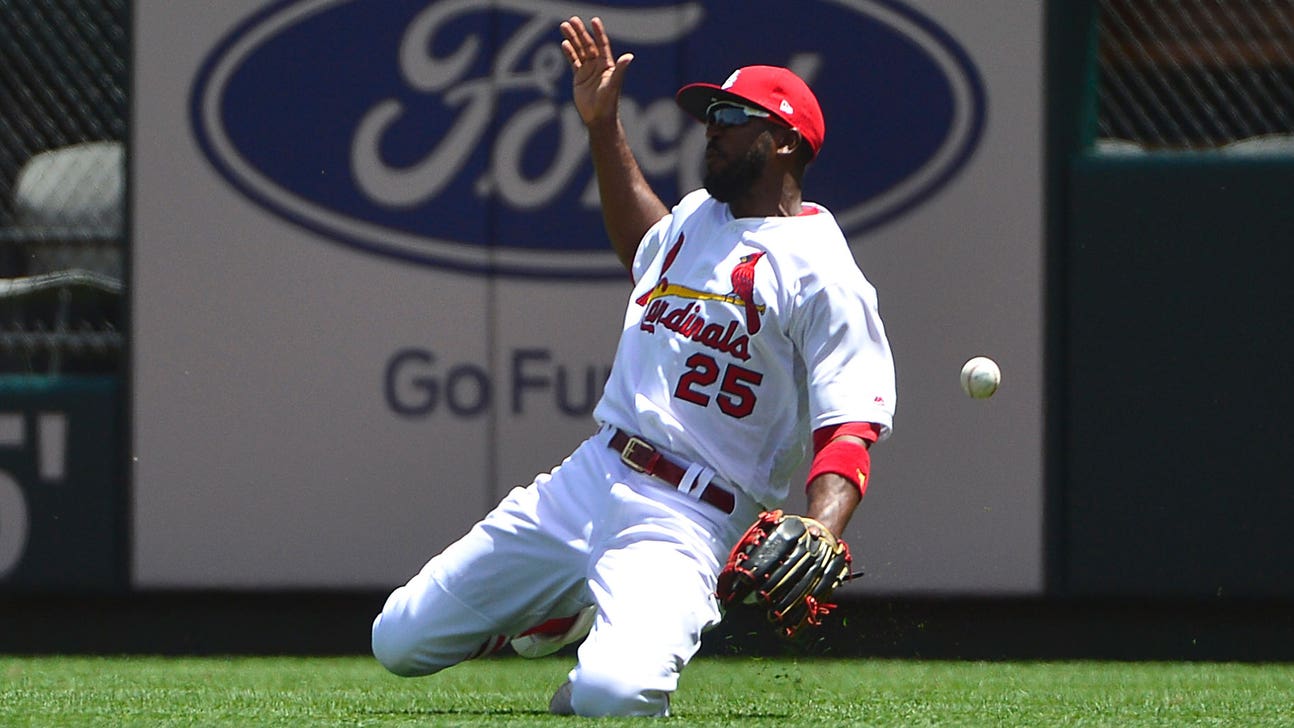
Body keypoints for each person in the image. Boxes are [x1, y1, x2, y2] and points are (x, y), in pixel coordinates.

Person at [370, 15, 896, 718]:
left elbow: (850, 425)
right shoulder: (696, 218)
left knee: (612, 697)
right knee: (397, 640)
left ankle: (593, 629)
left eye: (731, 118)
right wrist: (602, 127)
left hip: (690, 516)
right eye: (710, 116)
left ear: (783, 140)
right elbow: (646, 250)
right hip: (594, 473)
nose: (711, 129)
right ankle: (566, 607)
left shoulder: (823, 271)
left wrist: (825, 524)